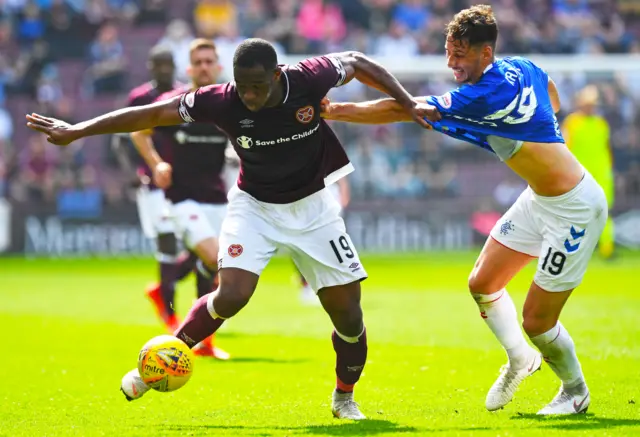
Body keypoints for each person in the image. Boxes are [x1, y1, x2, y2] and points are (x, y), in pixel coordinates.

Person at [26, 38, 426, 420]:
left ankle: (344, 396)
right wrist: (78, 130)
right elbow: (151, 114)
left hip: (314, 210)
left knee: (349, 319)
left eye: (256, 87)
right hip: (254, 208)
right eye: (242, 87)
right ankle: (165, 358)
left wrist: (407, 102)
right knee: (232, 294)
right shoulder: (220, 99)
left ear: (275, 75)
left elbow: (357, 61)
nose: (248, 96)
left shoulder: (308, 77)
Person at [320, 5, 606, 415]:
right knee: (482, 283)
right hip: (539, 198)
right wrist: (542, 124)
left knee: (537, 322)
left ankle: (574, 391)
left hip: (575, 209)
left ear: (485, 54)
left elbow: (406, 109)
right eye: (449, 51)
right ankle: (520, 360)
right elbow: (551, 92)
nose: (451, 63)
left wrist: (337, 110)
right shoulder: (521, 67)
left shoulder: (484, 93)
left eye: (460, 54)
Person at [129, 39, 231, 360]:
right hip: (181, 197)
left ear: (217, 67)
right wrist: (156, 162)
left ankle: (205, 340)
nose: (203, 67)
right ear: (189, 69)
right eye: (197, 62)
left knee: (209, 268)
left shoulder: (228, 103)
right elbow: (138, 131)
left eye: (208, 61)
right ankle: (172, 294)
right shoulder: (175, 102)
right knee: (216, 259)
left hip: (216, 196)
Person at [111, 45, 199, 330]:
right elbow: (122, 139)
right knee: (167, 245)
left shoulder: (183, 95)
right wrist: (130, 173)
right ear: (149, 66)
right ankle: (170, 312)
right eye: (158, 64)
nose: (163, 69)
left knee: (203, 245)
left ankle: (162, 289)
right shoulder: (140, 97)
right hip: (151, 183)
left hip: (185, 180)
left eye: (168, 64)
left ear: (175, 65)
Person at [563, 85, 615, 259]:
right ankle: (574, 249)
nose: (590, 107)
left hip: (601, 174)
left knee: (604, 212)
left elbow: (607, 149)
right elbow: (565, 148)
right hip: (580, 175)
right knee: (577, 212)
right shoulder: (572, 123)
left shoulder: (601, 124)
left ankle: (607, 249)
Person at [299, 177, 350, 305]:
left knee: (330, 246)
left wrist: (344, 194)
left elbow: (341, 173)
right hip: (312, 195)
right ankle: (308, 285)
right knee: (308, 245)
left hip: (330, 195)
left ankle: (333, 286)